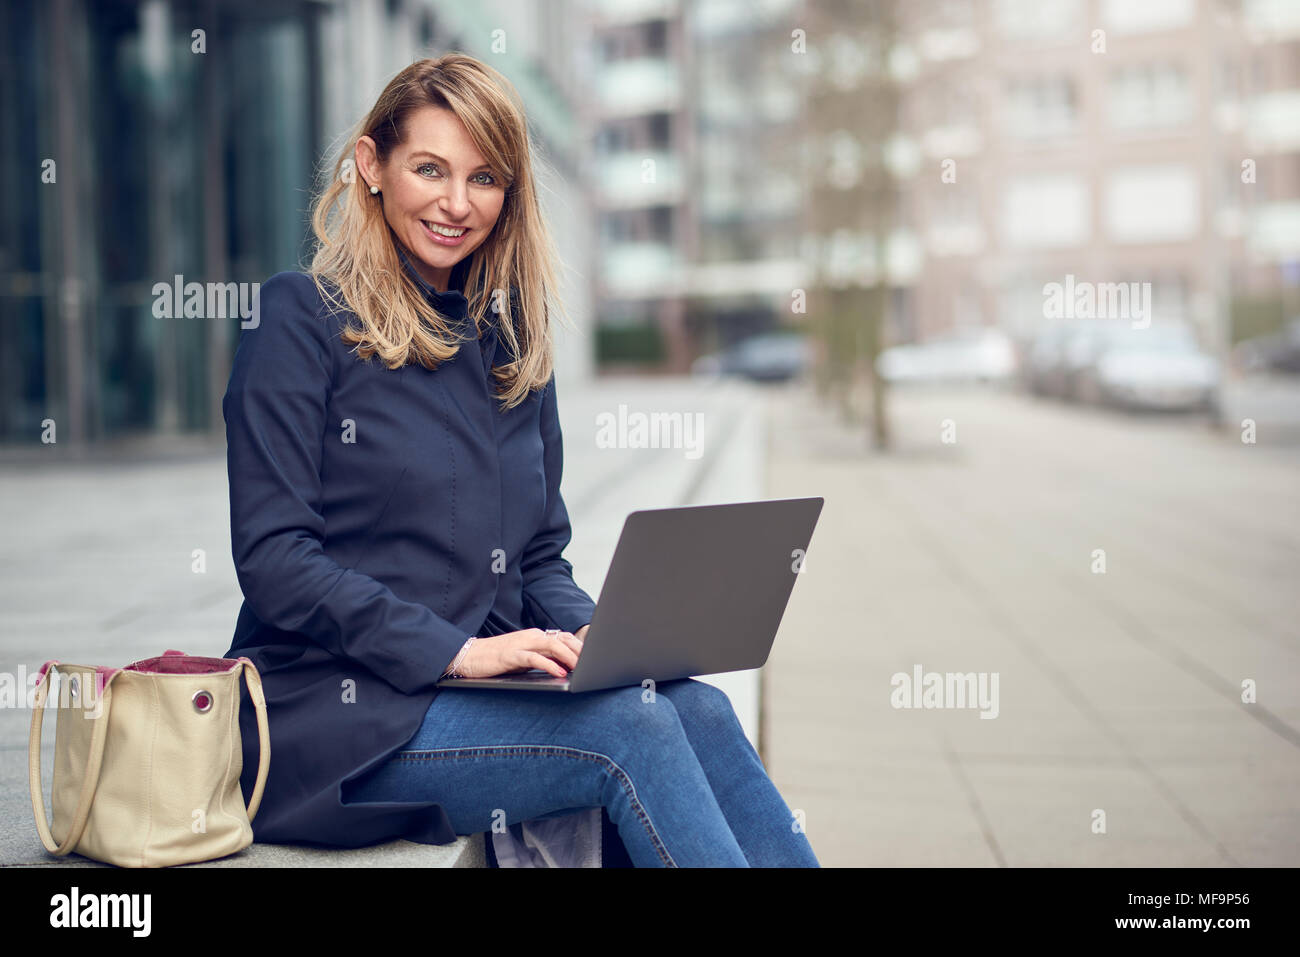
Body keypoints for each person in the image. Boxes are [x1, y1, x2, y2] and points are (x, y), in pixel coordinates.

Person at [223, 53, 818, 868]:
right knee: (630, 732)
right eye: (429, 169)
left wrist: (604, 640)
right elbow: (276, 561)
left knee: (698, 707)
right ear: (372, 165)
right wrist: (456, 653)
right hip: (332, 720)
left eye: (485, 178)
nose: (456, 204)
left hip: (471, 696)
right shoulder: (299, 319)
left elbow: (538, 555)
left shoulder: (509, 346)